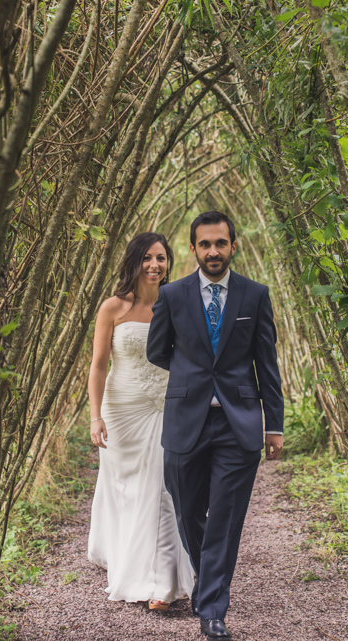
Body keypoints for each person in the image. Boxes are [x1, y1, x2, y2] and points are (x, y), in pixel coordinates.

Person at [147, 211, 284, 640]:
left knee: (225, 517)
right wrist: (192, 373)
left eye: (220, 243)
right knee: (188, 511)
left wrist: (274, 424)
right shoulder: (171, 295)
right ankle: (211, 583)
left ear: (233, 246)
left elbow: (268, 364)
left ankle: (211, 611)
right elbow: (157, 350)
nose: (213, 251)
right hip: (186, 419)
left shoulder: (255, 295)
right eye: (205, 244)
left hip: (238, 422)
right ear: (193, 249)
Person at [86, 232, 195, 609]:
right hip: (122, 409)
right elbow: (99, 366)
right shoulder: (112, 307)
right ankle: (125, 559)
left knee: (164, 489)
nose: (154, 265)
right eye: (147, 257)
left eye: (161, 258)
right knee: (126, 492)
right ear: (134, 261)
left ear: (169, 263)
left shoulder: (177, 304)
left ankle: (163, 583)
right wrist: (94, 416)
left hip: (166, 407)